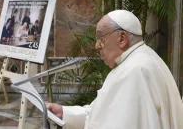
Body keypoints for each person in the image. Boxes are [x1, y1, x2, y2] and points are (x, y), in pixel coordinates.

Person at [47, 10, 183, 129]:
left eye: (101, 38)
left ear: (122, 39)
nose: (97, 46)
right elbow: (102, 113)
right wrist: (64, 113)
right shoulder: (141, 59)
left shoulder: (135, 70)